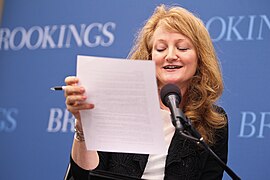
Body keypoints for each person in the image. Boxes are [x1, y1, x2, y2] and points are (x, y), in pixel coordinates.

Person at [64, 4, 228, 180]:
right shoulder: (120, 103)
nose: (171, 55)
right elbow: (85, 177)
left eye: (182, 48)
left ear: (200, 58)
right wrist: (83, 125)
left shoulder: (213, 120)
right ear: (150, 57)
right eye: (161, 48)